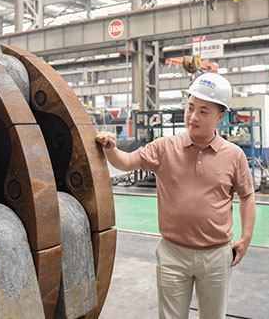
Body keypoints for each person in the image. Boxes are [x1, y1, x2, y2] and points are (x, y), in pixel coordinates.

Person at [96, 73, 256, 319]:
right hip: (173, 254)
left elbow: (247, 195)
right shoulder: (164, 148)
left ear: (220, 116)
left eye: (203, 111)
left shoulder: (234, 155)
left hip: (216, 256)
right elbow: (127, 162)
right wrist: (111, 149)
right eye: (190, 108)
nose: (193, 116)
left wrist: (245, 238)